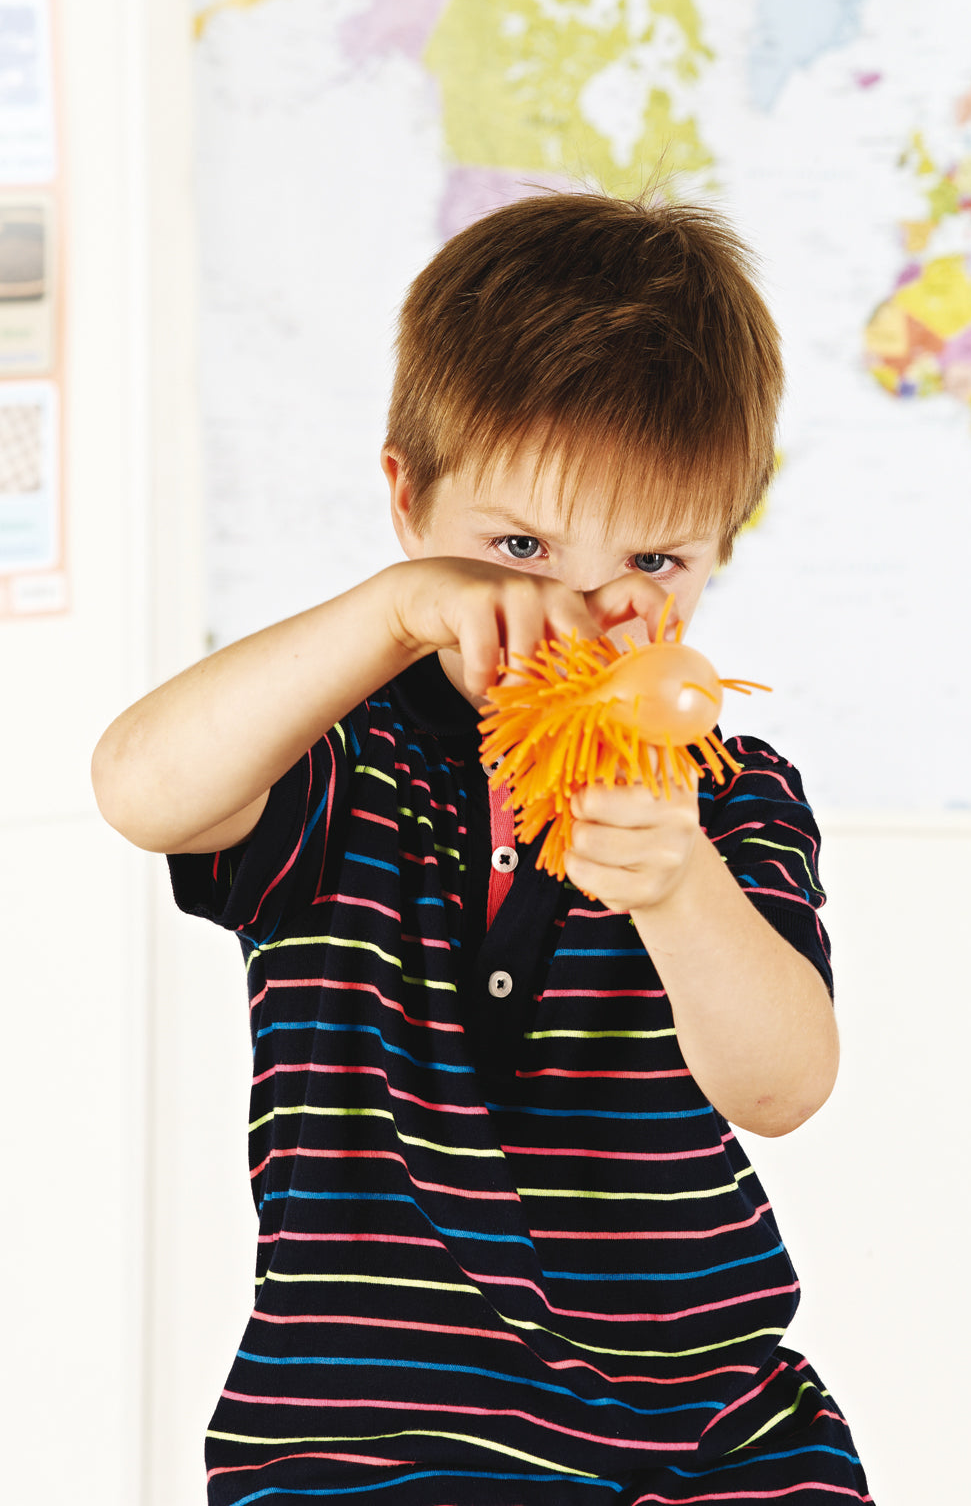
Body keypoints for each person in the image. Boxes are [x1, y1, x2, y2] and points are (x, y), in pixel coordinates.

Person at [92, 191, 871, 1505]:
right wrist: (393, 617)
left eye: (658, 558)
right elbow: (142, 789)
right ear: (407, 499)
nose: (582, 603)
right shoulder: (339, 758)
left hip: (710, 1426)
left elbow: (784, 1087)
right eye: (517, 546)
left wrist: (682, 888)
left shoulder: (727, 795)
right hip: (374, 1435)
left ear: (726, 544)